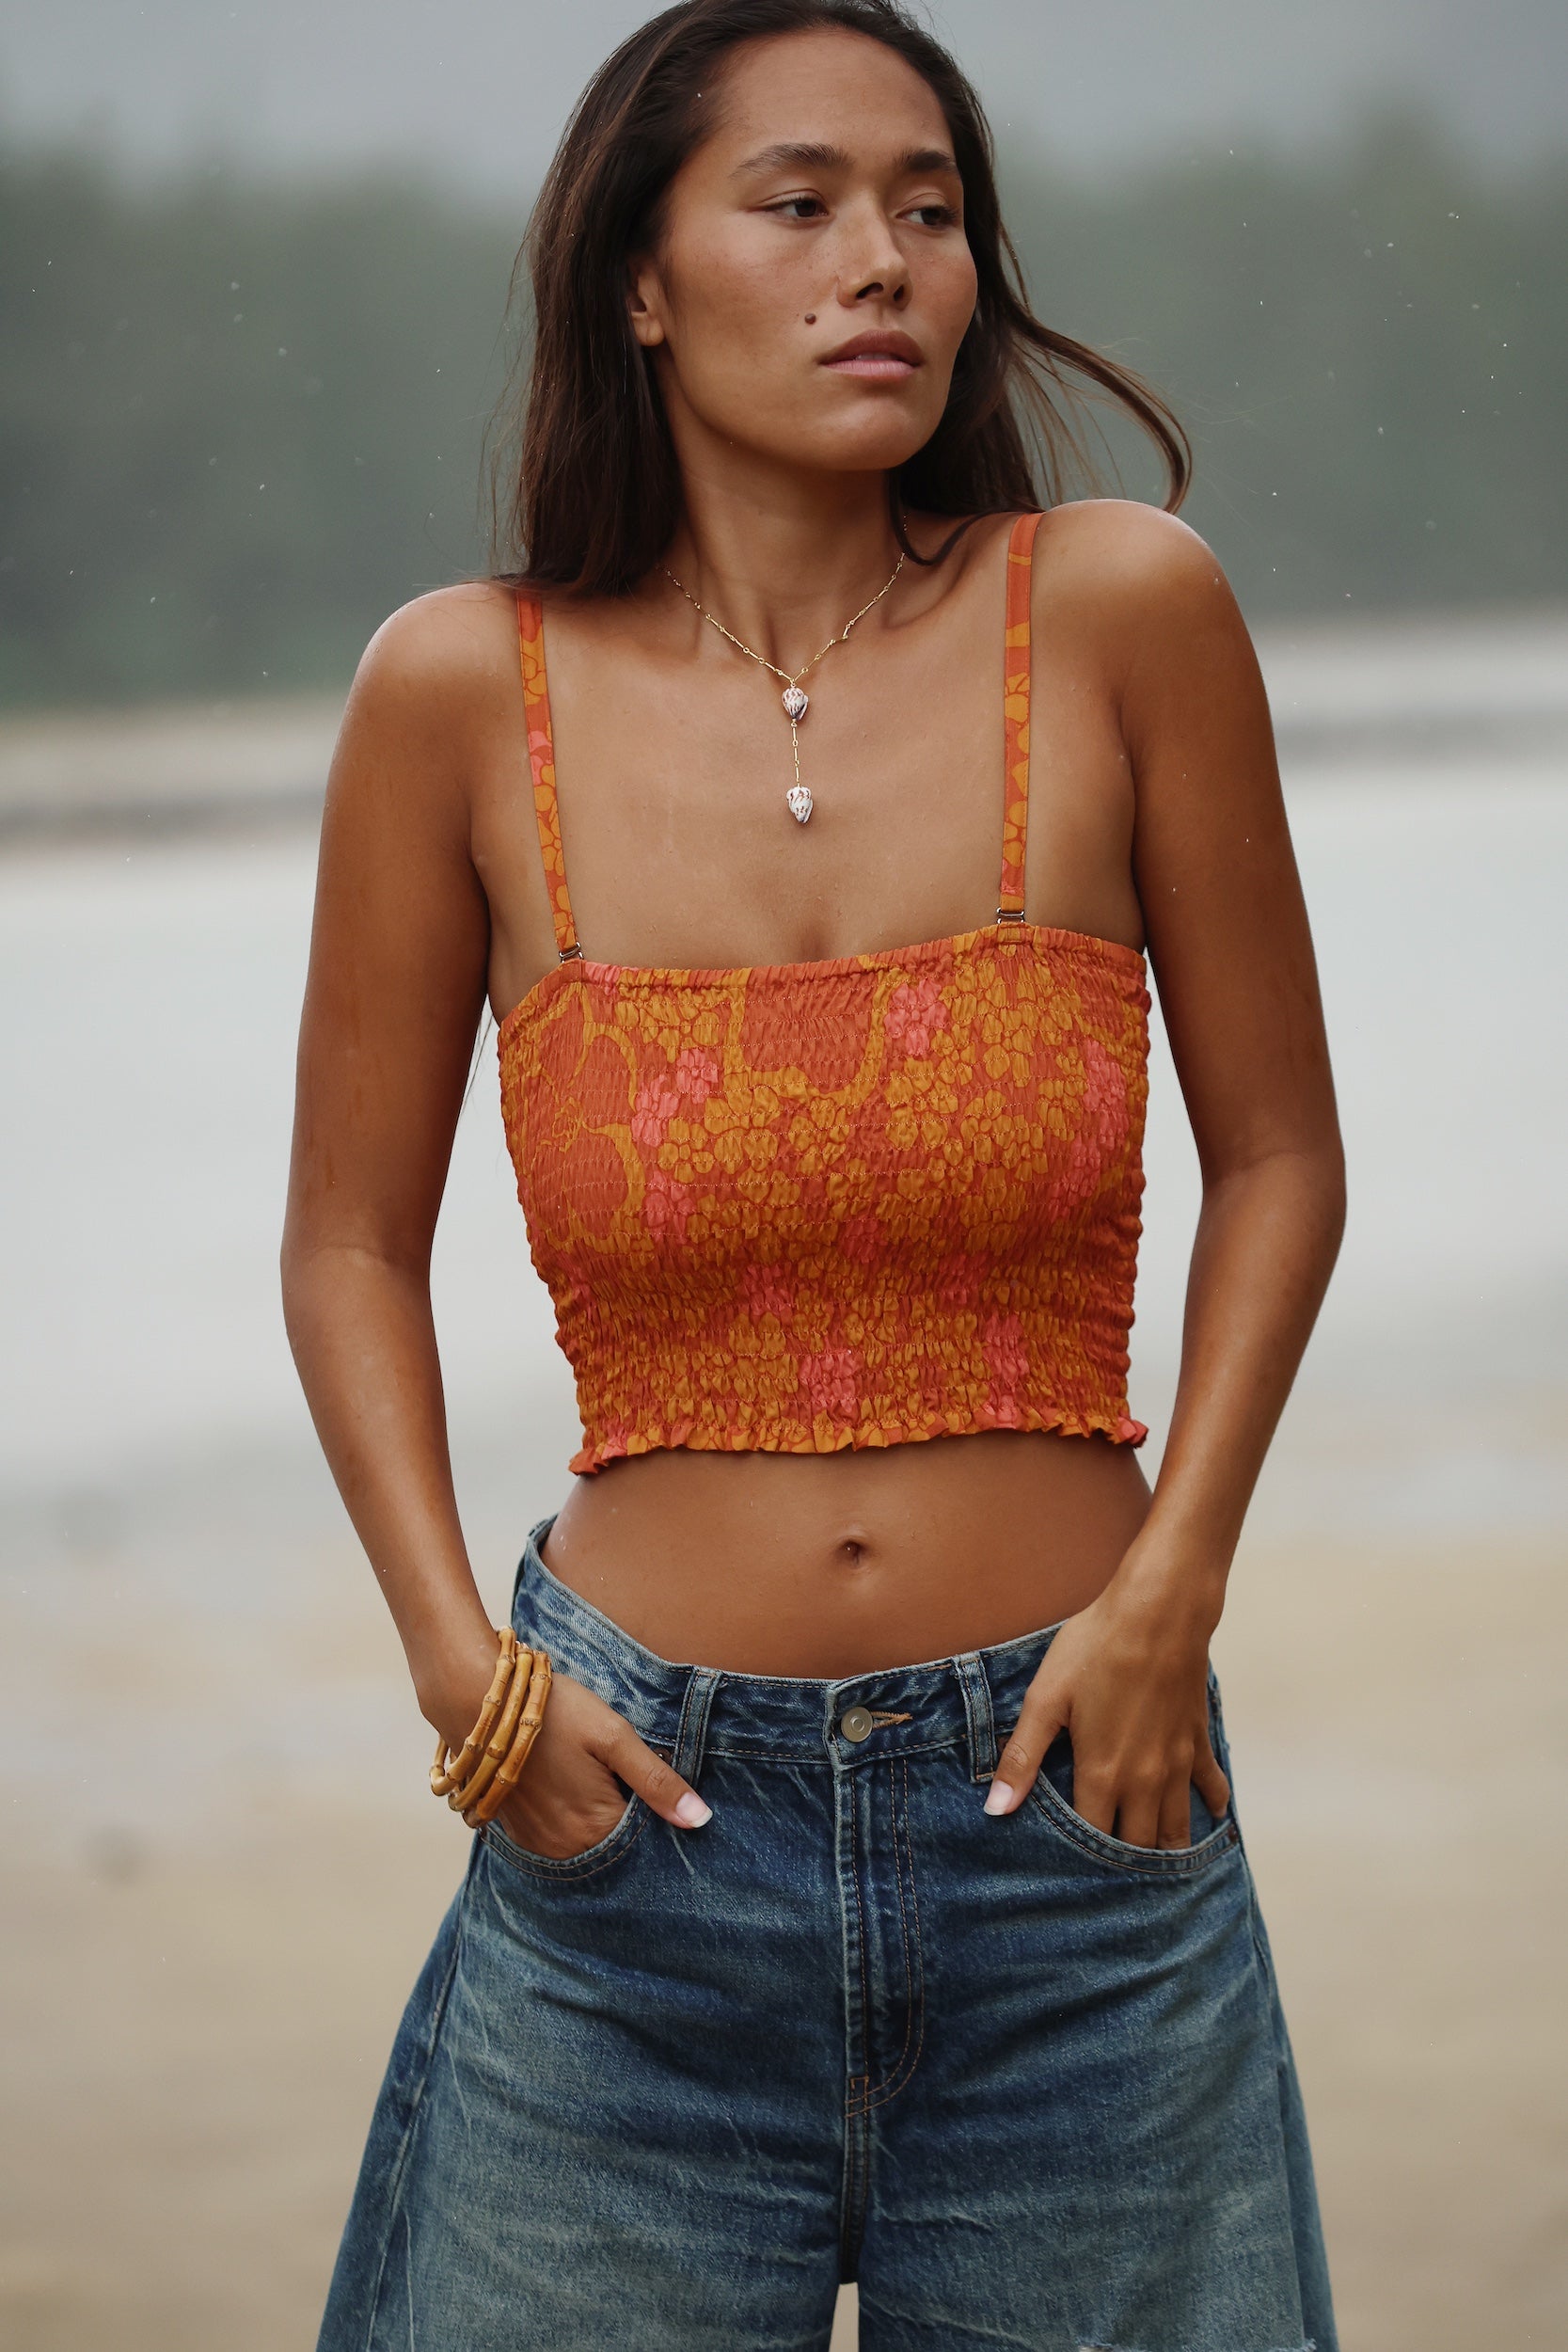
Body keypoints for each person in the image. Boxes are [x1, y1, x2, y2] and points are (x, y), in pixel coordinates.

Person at [283, 3, 1345, 2345]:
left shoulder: (1121, 612)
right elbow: (348, 1237)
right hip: (626, 1838)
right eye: (802, 204)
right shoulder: (461, 694)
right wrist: (464, 1669)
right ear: (638, 280)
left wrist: (1173, 1593)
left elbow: (1281, 1154)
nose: (886, 260)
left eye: (932, 208)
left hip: (1080, 1818)